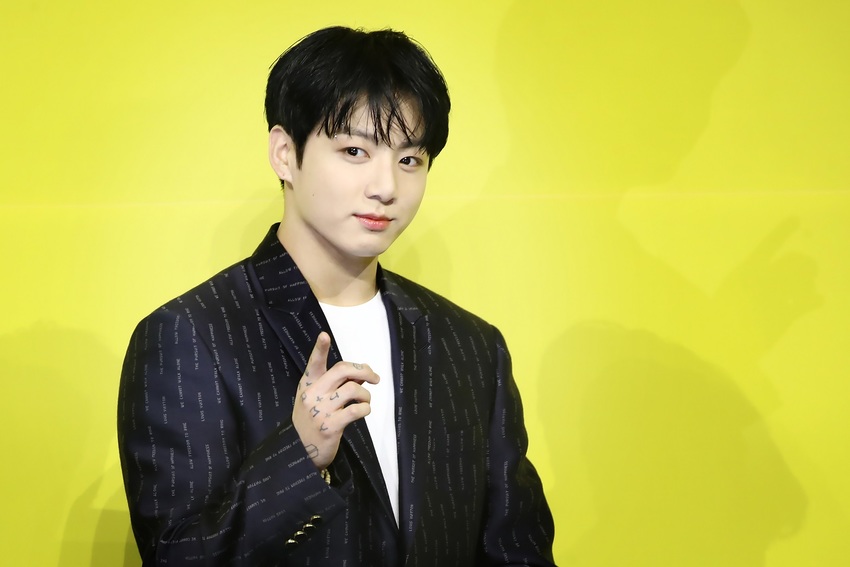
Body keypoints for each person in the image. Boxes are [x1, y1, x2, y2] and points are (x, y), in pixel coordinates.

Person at [117, 26, 555, 566]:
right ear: (285, 154)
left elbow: (519, 550)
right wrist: (299, 457)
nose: (386, 187)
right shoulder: (189, 336)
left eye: (409, 160)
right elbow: (176, 555)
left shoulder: (471, 346)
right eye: (354, 151)